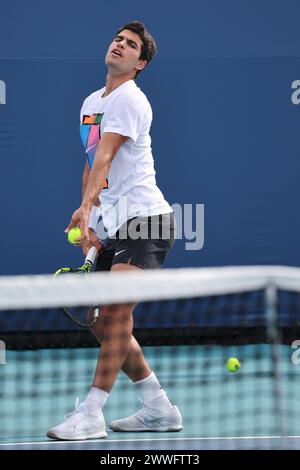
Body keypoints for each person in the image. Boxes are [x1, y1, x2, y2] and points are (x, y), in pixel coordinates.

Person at [47, 21, 182, 440]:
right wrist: (89, 212)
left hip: (146, 220)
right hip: (115, 221)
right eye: (118, 39)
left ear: (140, 63)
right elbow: (92, 163)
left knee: (118, 314)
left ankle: (91, 414)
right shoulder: (91, 101)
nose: (120, 45)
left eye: (131, 45)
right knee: (97, 320)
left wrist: (88, 208)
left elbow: (107, 155)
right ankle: (158, 406)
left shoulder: (129, 100)